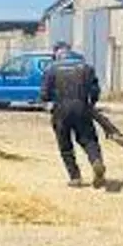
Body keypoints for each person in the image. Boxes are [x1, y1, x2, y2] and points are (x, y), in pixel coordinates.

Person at [39, 41, 106, 188]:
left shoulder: (51, 69)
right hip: (81, 107)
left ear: (57, 53)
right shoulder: (86, 67)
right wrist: (91, 104)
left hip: (60, 110)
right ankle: (96, 161)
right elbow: (95, 91)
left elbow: (44, 94)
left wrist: (49, 102)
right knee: (89, 140)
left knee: (65, 144)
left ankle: (75, 177)